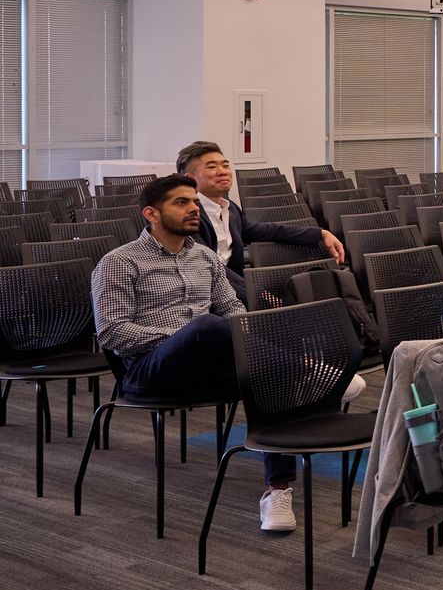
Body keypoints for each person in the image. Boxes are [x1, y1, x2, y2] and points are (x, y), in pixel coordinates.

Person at [92, 175, 346, 534]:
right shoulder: (120, 262)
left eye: (194, 201)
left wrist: (239, 336)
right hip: (150, 370)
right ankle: (310, 371)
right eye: (181, 202)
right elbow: (113, 332)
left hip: (208, 359)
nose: (194, 208)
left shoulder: (204, 256)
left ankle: (277, 490)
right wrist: (183, 336)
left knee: (265, 373)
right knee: (206, 328)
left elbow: (233, 310)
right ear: (151, 213)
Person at [177, 140, 343, 292]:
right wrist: (256, 293)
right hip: (204, 293)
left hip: (236, 287)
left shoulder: (230, 209)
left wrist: (320, 233)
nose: (223, 172)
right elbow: (208, 266)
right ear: (190, 179)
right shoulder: (187, 216)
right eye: (211, 167)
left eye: (225, 165)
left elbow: (269, 231)